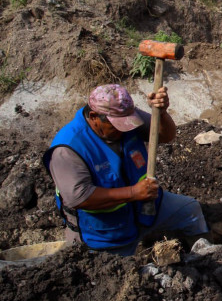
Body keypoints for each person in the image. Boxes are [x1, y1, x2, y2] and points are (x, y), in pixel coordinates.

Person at [43, 84, 210, 256]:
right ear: (94, 117)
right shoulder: (68, 148)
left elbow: (165, 136)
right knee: (123, 270)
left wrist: (161, 114)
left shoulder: (125, 116)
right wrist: (133, 193)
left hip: (146, 210)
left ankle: (204, 258)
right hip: (105, 234)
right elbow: (79, 197)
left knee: (190, 211)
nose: (125, 130)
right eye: (118, 126)